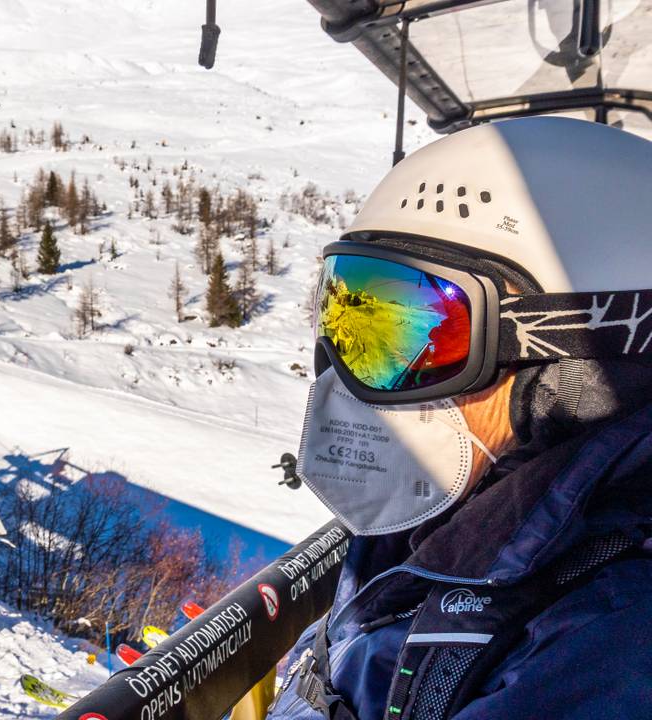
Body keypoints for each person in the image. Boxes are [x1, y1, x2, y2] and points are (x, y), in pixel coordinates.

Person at [266, 116, 652, 719]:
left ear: (574, 370)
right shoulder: (442, 519)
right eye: (348, 316)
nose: (350, 381)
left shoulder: (610, 644)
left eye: (420, 330)